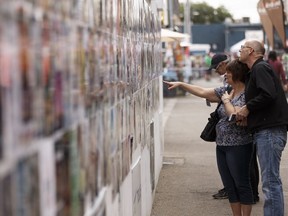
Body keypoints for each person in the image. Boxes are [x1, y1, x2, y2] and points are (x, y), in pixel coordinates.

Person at [164, 59, 255, 216]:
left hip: (239, 146)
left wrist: (226, 101)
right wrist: (181, 84)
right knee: (229, 184)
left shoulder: (247, 95)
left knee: (242, 184)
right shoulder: (226, 90)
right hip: (221, 146)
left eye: (229, 72)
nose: (225, 75)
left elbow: (234, 115)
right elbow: (202, 91)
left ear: (237, 75)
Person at [237, 40, 288, 216]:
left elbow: (268, 94)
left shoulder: (260, 68)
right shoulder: (257, 70)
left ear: (251, 51)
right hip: (267, 131)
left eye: (242, 48)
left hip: (269, 132)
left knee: (270, 182)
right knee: (270, 181)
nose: (239, 51)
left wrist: (248, 108)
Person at [208, 54, 259, 202]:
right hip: (225, 142)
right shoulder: (231, 87)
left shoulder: (244, 90)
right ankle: (241, 194)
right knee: (235, 177)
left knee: (245, 174)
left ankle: (252, 195)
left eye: (220, 69)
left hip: (241, 140)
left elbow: (234, 114)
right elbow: (206, 93)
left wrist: (226, 101)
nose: (222, 74)